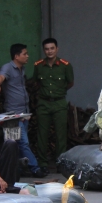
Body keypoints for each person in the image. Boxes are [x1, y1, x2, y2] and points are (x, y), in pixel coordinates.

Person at [0, 44, 46, 178]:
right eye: (24, 54)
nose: (27, 56)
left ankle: (17, 169)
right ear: (16, 56)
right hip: (13, 116)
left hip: (24, 113)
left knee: (18, 143)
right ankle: (35, 168)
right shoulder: (7, 68)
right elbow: (1, 77)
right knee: (22, 142)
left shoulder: (22, 69)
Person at [33, 38, 74, 172]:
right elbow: (36, 82)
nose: (49, 51)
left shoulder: (65, 65)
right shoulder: (38, 65)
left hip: (59, 103)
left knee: (60, 134)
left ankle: (60, 163)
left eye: (52, 48)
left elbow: (70, 83)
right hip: (43, 103)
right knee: (42, 135)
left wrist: (59, 92)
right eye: (46, 49)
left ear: (57, 49)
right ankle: (43, 164)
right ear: (44, 50)